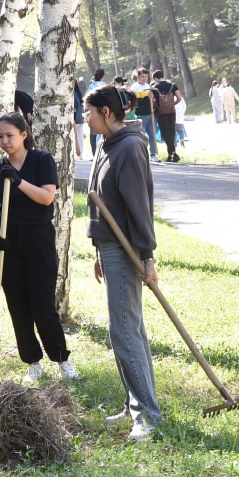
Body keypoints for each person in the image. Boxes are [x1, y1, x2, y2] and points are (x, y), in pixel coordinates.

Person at [81, 88, 161, 442]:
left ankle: (148, 416)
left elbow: (139, 205)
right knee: (130, 328)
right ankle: (135, 404)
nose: (85, 117)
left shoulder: (129, 147)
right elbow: (101, 200)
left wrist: (147, 255)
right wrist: (98, 251)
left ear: (107, 111)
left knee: (125, 330)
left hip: (127, 248)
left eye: (89, 112)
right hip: (109, 246)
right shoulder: (106, 142)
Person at [0, 113, 79, 383]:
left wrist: (18, 181)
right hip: (8, 242)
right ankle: (32, 362)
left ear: (24, 134)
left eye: (9, 135)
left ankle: (61, 359)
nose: (4, 141)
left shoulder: (41, 160)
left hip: (38, 239)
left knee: (42, 305)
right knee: (18, 306)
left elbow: (47, 197)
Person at [150, 70, 181, 162]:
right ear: (163, 76)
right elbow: (180, 98)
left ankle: (174, 154)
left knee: (166, 133)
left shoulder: (154, 87)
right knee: (172, 132)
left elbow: (152, 101)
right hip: (172, 112)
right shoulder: (172, 85)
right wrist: (173, 104)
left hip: (161, 113)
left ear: (155, 78)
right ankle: (171, 154)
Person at [128, 68, 156, 159]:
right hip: (140, 115)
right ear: (138, 77)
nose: (144, 79)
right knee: (141, 136)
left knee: (152, 135)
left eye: (146, 77)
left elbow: (152, 101)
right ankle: (141, 154)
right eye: (142, 77)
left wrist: (152, 99)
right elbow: (135, 103)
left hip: (150, 114)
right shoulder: (134, 87)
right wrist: (146, 98)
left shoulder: (148, 86)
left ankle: (153, 154)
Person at [87, 69, 107, 156]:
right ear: (103, 76)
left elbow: (87, 99)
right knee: (102, 132)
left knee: (93, 133)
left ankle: (95, 153)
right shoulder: (104, 86)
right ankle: (102, 151)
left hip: (92, 111)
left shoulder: (91, 85)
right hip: (103, 111)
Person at [72, 77, 87, 160]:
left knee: (78, 138)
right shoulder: (75, 93)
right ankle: (78, 155)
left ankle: (79, 155)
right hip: (77, 118)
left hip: (78, 118)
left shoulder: (76, 93)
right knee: (77, 138)